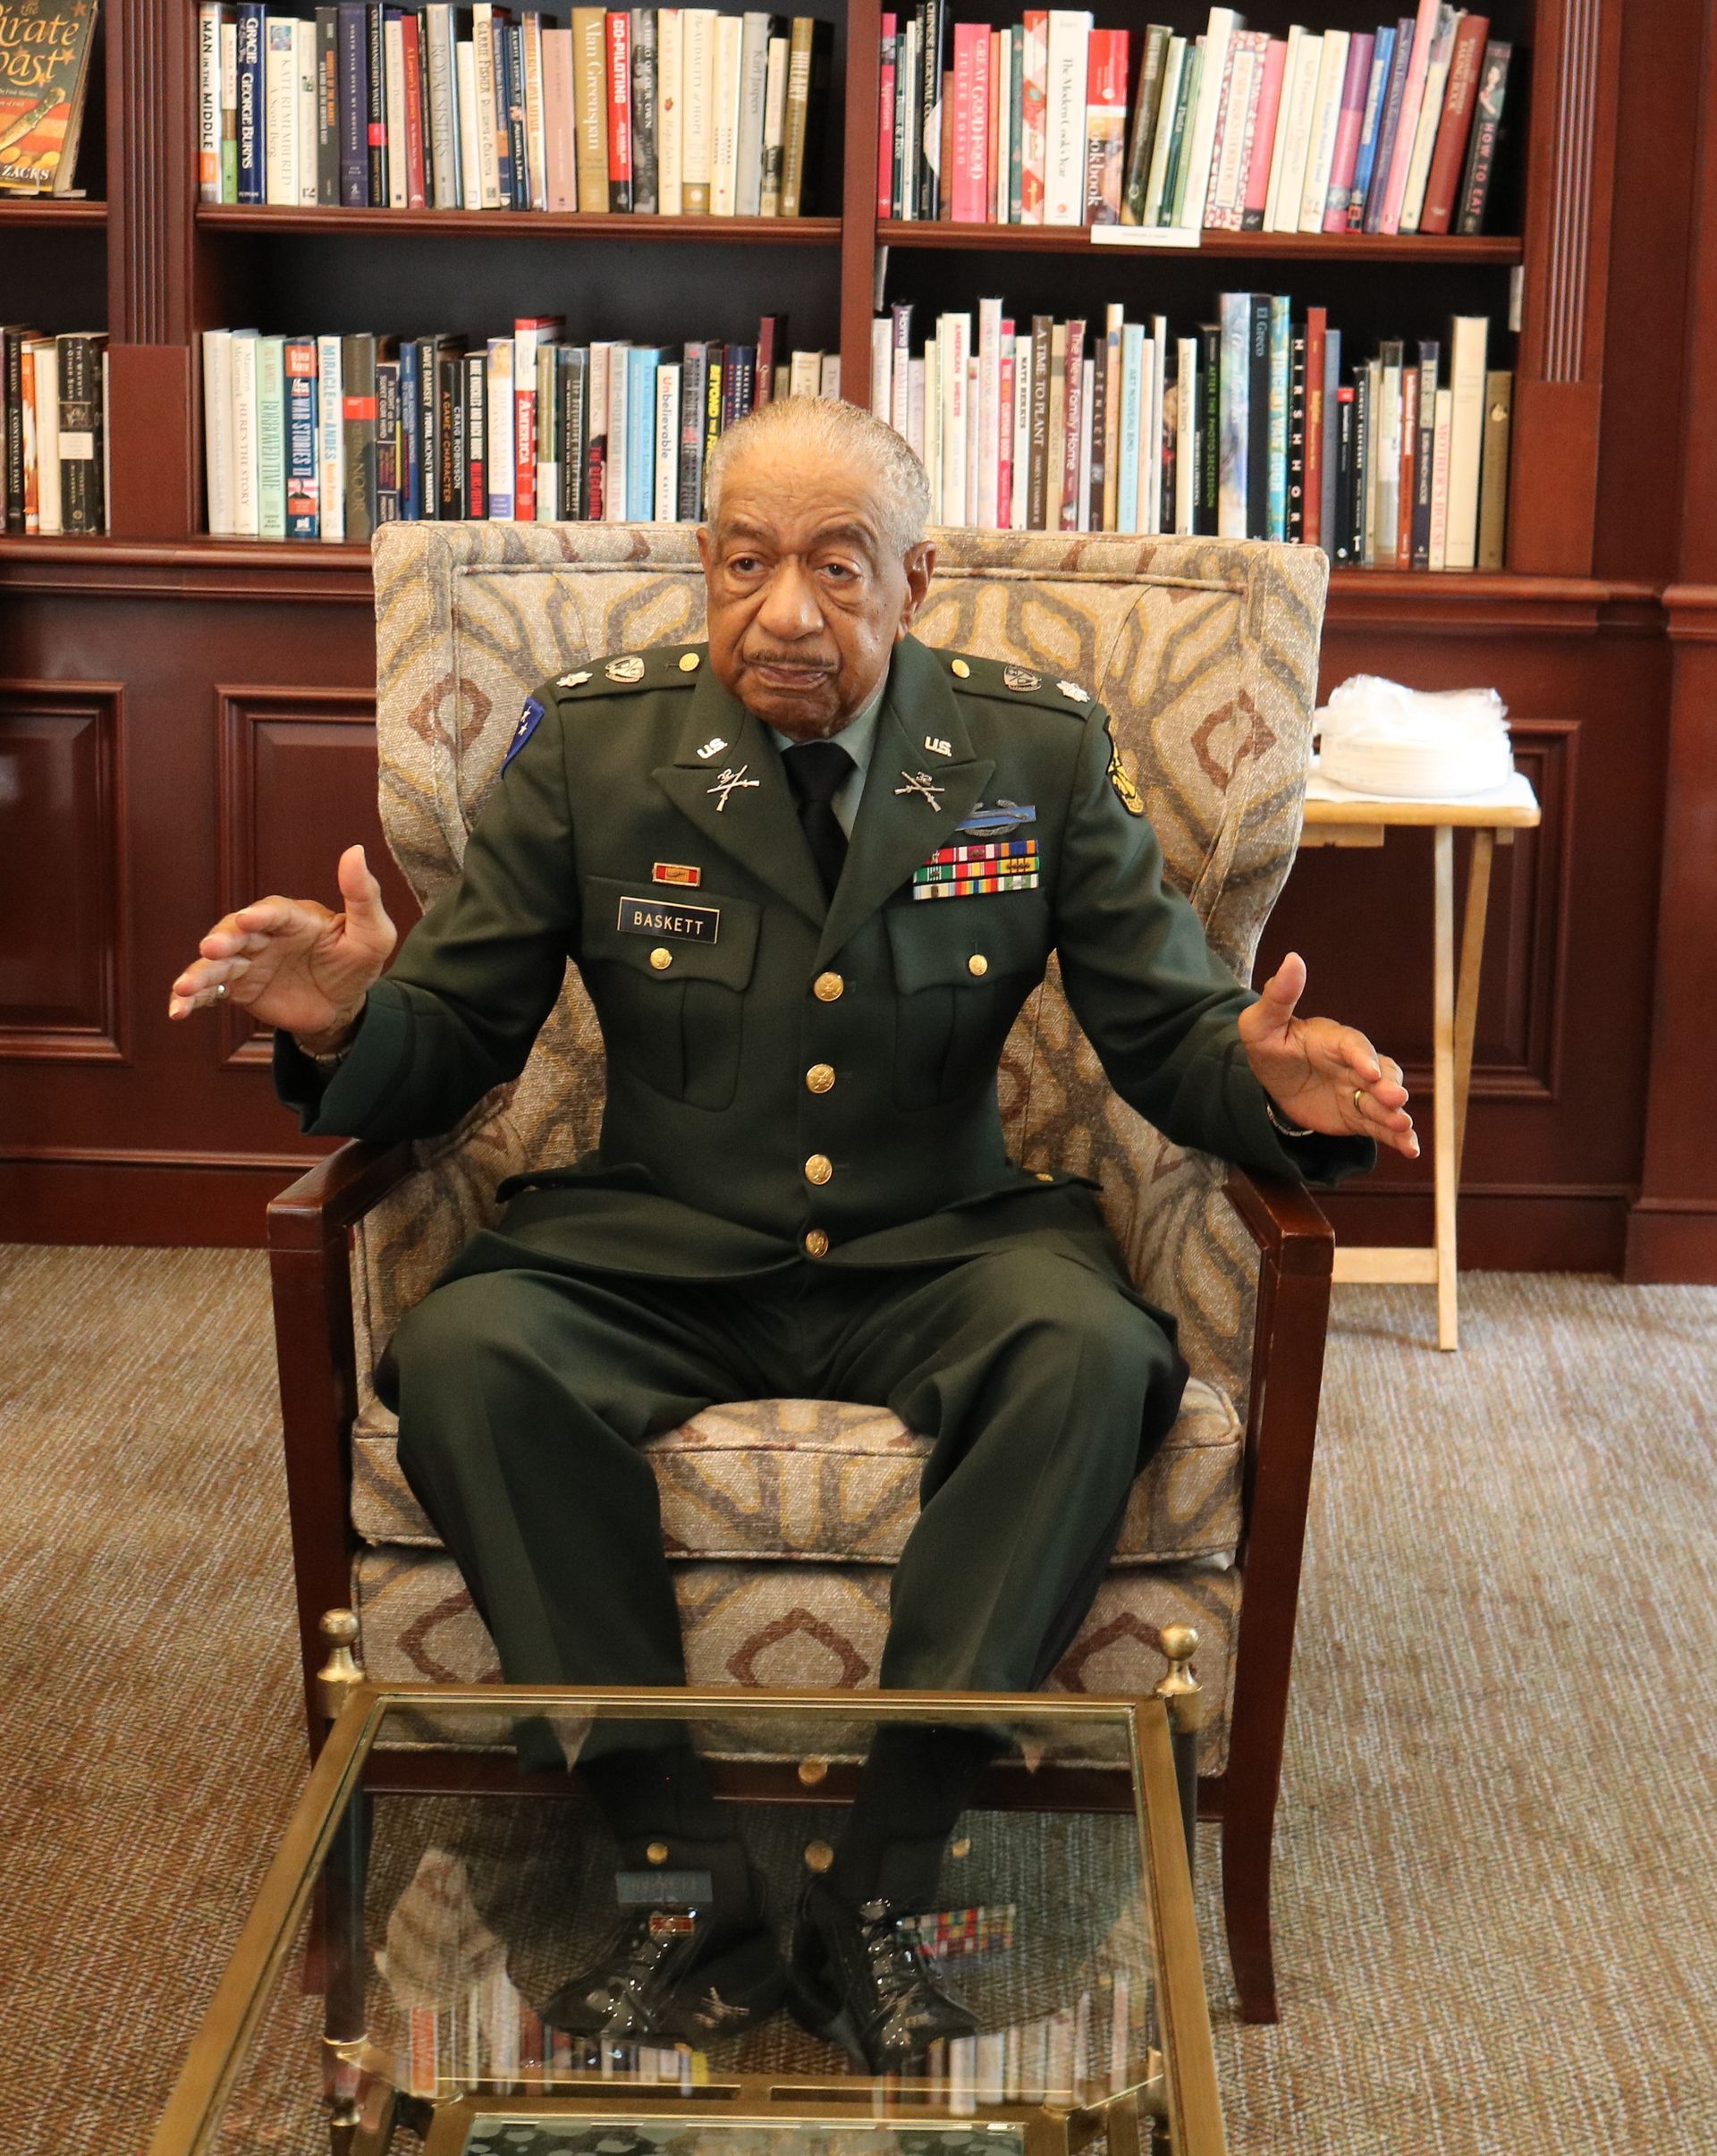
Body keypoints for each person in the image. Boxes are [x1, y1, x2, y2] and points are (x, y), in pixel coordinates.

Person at [169, 398, 1414, 2073]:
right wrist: (342, 1021)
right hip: (658, 1241)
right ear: (705, 566)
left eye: (837, 567)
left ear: (916, 580)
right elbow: (456, 1033)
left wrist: (1270, 1082)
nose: (785, 613)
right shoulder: (595, 746)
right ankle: (673, 1874)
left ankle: (885, 1880)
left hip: (943, 1239)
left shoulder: (1038, 751)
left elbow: (1168, 1030)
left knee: (1094, 1357)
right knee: (467, 1353)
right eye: (745, 563)